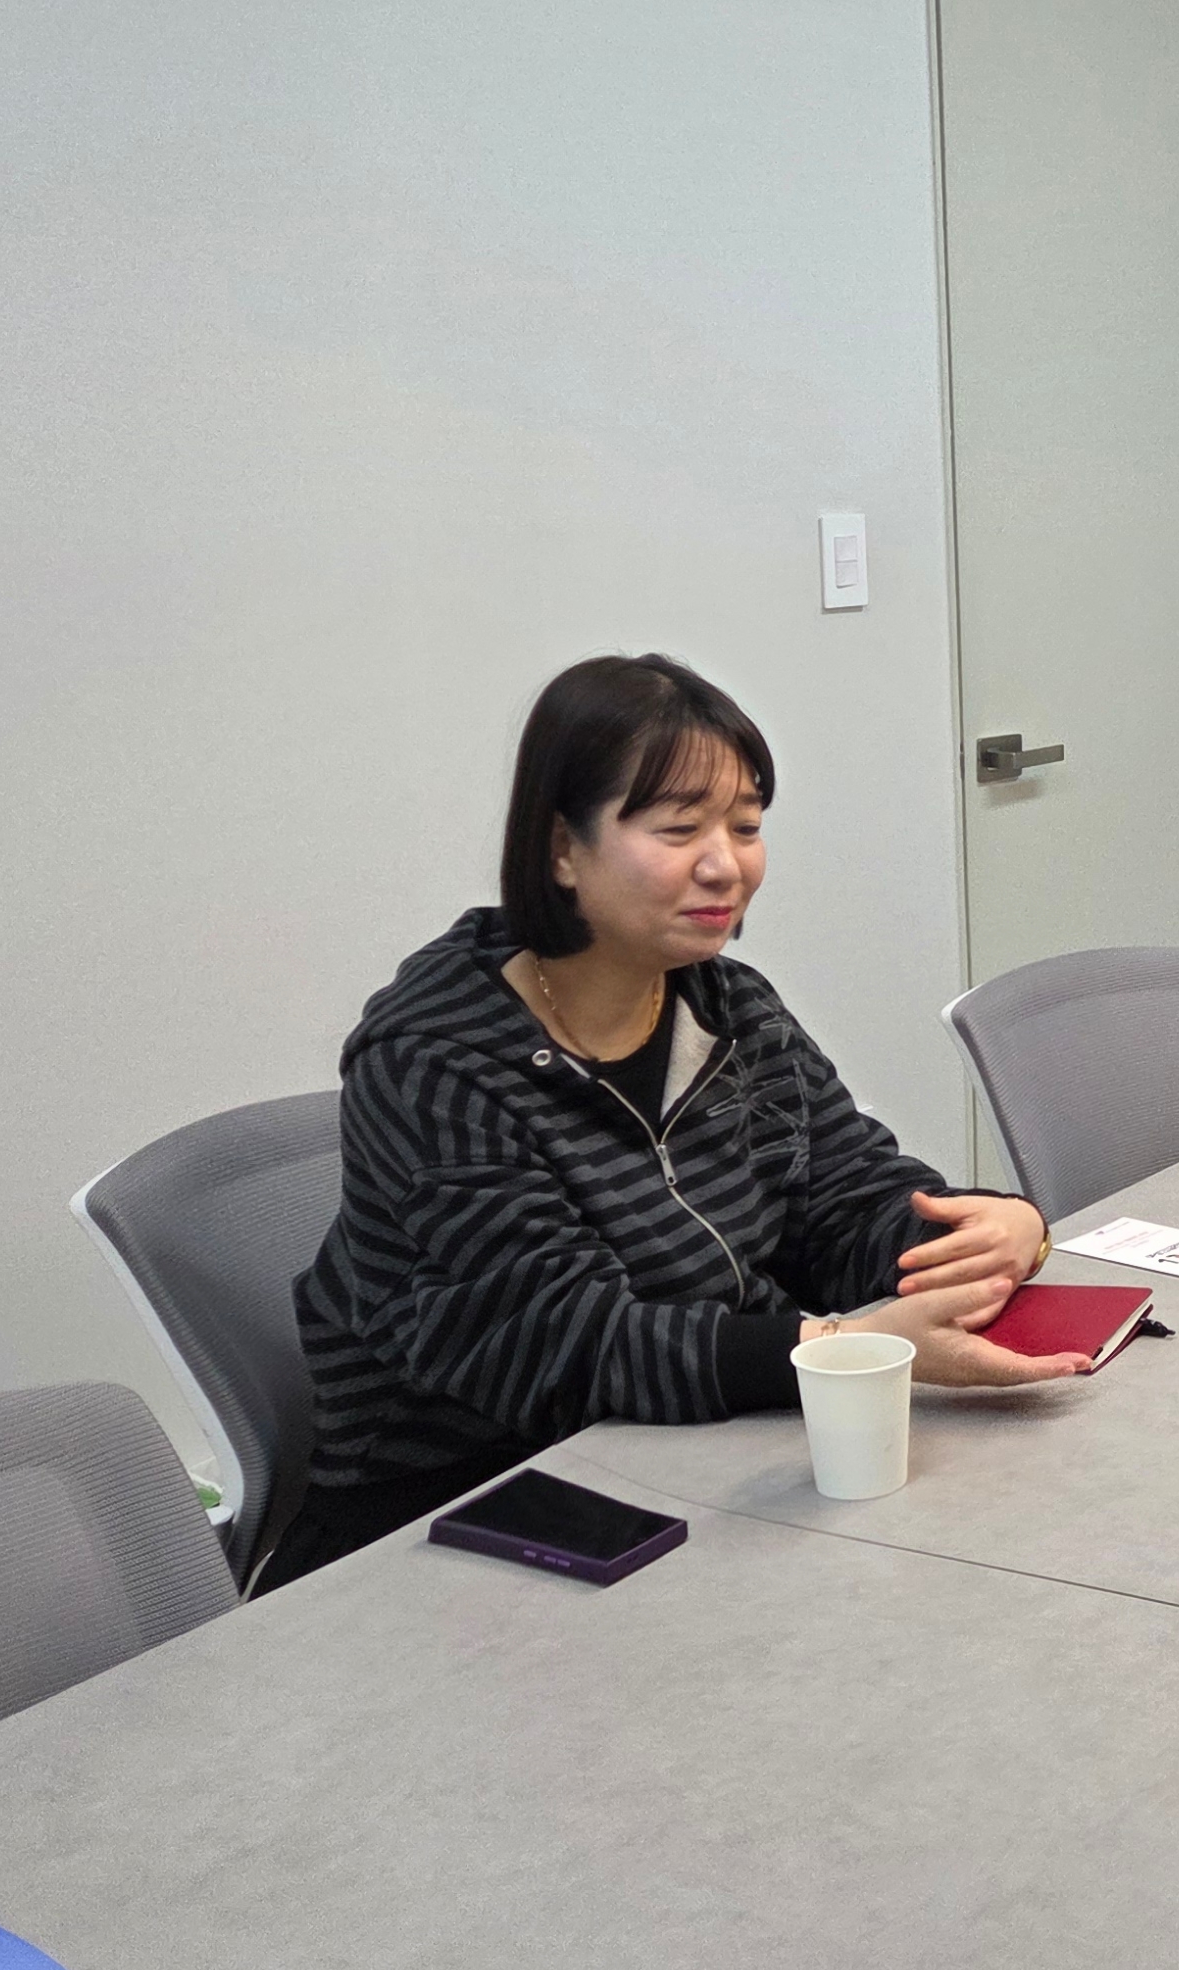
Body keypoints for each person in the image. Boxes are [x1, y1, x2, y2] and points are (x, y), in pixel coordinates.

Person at [262, 655, 1089, 1592]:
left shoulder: (729, 1006)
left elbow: (843, 1201)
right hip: (458, 1513)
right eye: (679, 828)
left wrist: (992, 1230)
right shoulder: (436, 1064)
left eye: (747, 826)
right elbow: (570, 1347)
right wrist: (830, 1349)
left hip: (704, 1448)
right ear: (561, 847)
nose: (724, 864)